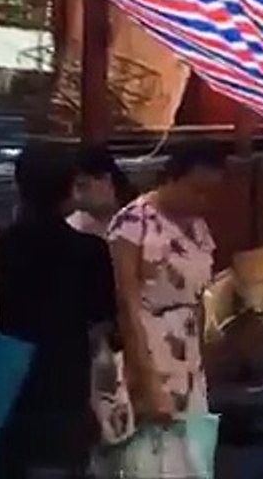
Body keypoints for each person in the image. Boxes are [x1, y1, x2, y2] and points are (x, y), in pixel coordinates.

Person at [0, 143, 117, 479]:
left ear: (18, 188)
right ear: (70, 192)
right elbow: (101, 325)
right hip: (63, 391)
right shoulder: (90, 250)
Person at [103, 141, 226, 474]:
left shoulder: (198, 226)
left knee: (192, 459)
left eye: (211, 193)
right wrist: (148, 381)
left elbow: (200, 297)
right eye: (197, 190)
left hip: (189, 358)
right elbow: (126, 304)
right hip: (148, 349)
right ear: (172, 178)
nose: (203, 200)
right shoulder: (132, 223)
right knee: (153, 461)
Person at [69, 145, 137, 238]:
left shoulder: (142, 218)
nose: (76, 196)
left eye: (82, 186)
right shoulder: (72, 227)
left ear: (106, 180)